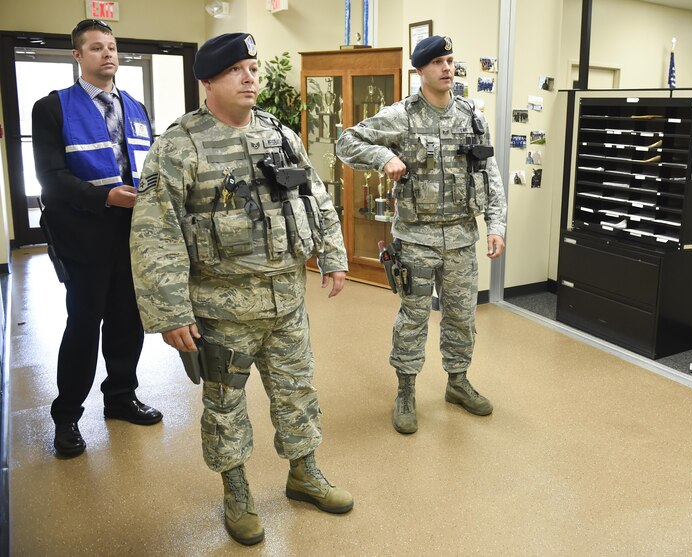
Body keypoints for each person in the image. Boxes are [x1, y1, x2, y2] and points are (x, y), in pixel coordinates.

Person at [129, 33, 353, 546]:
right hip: (221, 309)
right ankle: (236, 491)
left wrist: (333, 255)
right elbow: (155, 232)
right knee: (226, 406)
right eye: (236, 70)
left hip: (287, 301)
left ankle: (303, 473)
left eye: (252, 67)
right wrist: (170, 311)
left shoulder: (279, 134)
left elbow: (315, 195)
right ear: (207, 81)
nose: (250, 77)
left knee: (298, 393)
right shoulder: (178, 146)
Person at [336, 35, 507, 435]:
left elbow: (490, 175)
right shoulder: (402, 116)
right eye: (438, 63)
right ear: (420, 71)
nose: (447, 68)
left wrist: (496, 225)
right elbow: (348, 141)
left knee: (462, 317)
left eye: (450, 61)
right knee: (413, 318)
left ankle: (458, 383)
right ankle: (406, 391)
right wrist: (385, 156)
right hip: (416, 240)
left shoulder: (471, 117)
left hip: (462, 238)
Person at [31, 19, 162, 459]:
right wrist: (104, 196)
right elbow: (50, 180)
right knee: (84, 326)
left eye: (111, 46)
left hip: (133, 234)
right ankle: (67, 415)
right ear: (77, 56)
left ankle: (121, 396)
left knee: (128, 320)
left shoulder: (138, 108)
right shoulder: (52, 108)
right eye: (96, 48)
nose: (107, 54)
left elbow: (150, 168)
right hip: (83, 236)